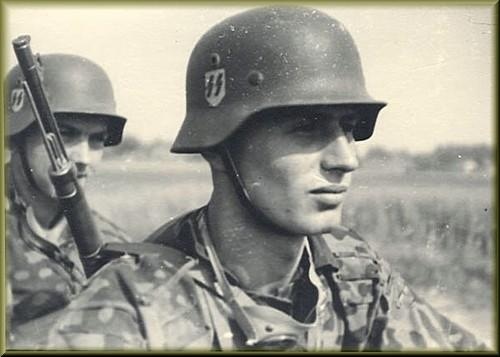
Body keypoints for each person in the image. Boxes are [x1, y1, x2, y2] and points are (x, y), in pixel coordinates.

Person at [40, 6, 485, 351]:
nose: (346, 159)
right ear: (220, 146)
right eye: (307, 128)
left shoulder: (352, 268)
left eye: (350, 128)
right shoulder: (134, 308)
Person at [5, 53, 131, 342]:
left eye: (97, 139)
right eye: (65, 134)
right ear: (17, 136)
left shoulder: (111, 240)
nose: (84, 158)